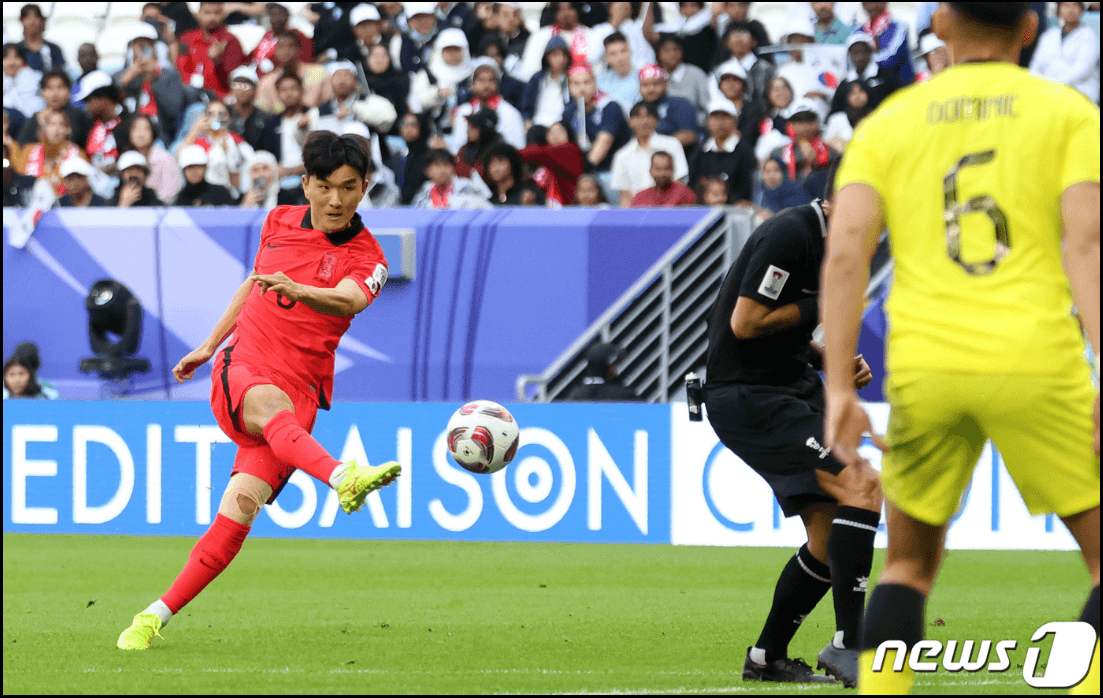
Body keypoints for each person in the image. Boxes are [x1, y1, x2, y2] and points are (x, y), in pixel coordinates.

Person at [820, 3, 1100, 694]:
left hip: (927, 370)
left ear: (940, 24)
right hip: (1036, 362)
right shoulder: (1066, 113)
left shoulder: (887, 123)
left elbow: (846, 250)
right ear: (1030, 30)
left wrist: (837, 389)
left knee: (907, 570)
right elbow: (1086, 245)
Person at [117, 131, 402, 651]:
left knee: (240, 508)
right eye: (325, 186)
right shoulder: (278, 221)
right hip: (244, 367)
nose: (335, 200)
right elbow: (253, 284)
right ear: (306, 184)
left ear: (364, 188)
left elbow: (349, 301)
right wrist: (207, 346)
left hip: (301, 399)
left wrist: (300, 290)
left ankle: (153, 615)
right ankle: (342, 476)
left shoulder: (371, 256)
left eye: (348, 187)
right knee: (268, 403)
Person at [704, 162, 879, 687]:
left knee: (828, 541)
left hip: (790, 388)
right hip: (749, 399)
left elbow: (784, 327)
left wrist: (825, 356)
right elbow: (747, 322)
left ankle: (766, 658)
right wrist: (819, 307)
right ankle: (851, 645)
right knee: (861, 484)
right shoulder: (792, 233)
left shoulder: (837, 245)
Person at [115, 22, 188, 145]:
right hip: (130, 135)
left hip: (160, 134)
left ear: (155, 46)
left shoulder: (169, 75)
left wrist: (155, 79)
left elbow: (174, 109)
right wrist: (131, 73)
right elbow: (108, 98)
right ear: (132, 47)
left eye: (147, 44)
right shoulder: (125, 75)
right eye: (139, 45)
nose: (143, 48)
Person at [610, 101, 688, 208]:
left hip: (671, 211)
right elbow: (625, 195)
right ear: (630, 122)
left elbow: (679, 181)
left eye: (648, 116)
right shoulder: (622, 155)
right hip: (639, 214)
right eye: (638, 117)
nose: (644, 121)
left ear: (657, 120)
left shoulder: (672, 144)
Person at [561, 63, 631, 179]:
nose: (582, 88)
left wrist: (583, 173)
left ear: (594, 83)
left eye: (587, 82)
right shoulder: (570, 111)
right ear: (569, 87)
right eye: (576, 84)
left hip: (613, 171)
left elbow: (604, 142)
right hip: (587, 172)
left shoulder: (610, 106)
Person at [176, 98, 254, 195]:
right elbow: (179, 158)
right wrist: (195, 130)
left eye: (221, 114)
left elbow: (252, 164)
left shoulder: (237, 141)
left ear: (229, 119)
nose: (216, 118)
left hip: (232, 195)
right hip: (205, 195)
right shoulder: (198, 143)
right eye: (210, 114)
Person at [1029, 1, 1099, 104]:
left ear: (1081, 9)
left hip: (1080, 91)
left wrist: (1054, 85)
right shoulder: (1049, 36)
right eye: (1066, 5)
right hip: (1048, 92)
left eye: (1075, 5)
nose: (1070, 9)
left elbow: (1082, 69)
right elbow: (1036, 66)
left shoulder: (1089, 36)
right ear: (1058, 10)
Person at [688, 98, 756, 204]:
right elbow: (693, 182)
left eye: (725, 117)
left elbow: (748, 186)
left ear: (735, 121)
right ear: (707, 121)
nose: (720, 122)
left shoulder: (745, 151)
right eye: (715, 117)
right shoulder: (700, 151)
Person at [175, 1, 246, 100]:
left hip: (219, 97)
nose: (212, 17)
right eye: (207, 13)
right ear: (199, 13)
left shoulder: (230, 41)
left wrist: (217, 61)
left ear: (223, 14)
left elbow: (235, 79)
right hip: (190, 94)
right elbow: (181, 70)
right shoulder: (187, 38)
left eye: (217, 13)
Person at [449, 62, 526, 152]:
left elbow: (517, 148)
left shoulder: (511, 113)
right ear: (473, 85)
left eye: (491, 80)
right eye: (480, 80)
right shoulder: (463, 111)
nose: (486, 85)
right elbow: (457, 147)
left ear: (498, 85)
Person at [827, 32, 902, 117]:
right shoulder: (845, 84)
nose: (860, 57)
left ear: (870, 52)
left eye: (864, 51)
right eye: (855, 52)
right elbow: (835, 111)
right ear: (849, 54)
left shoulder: (886, 76)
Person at [16, 69, 91, 152]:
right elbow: (22, 146)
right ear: (42, 93)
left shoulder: (79, 116)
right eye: (49, 88)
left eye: (60, 87)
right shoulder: (36, 118)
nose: (55, 93)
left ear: (68, 91)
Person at [254, 31, 330, 112]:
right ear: (275, 52)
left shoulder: (319, 73)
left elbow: (329, 103)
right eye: (281, 47)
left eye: (290, 46)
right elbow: (262, 115)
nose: (286, 51)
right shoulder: (266, 83)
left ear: (299, 49)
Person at [17, 109, 85, 198]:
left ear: (68, 130)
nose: (56, 129)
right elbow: (18, 182)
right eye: (52, 124)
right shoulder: (28, 151)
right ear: (43, 129)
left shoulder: (77, 154)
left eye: (61, 124)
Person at [117, 113, 182, 203]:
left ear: (153, 132)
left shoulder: (165, 159)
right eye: (136, 129)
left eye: (145, 129)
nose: (140, 134)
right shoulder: (125, 157)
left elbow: (169, 194)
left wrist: (152, 205)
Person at [519, 119, 584, 206]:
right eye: (551, 132)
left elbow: (531, 153)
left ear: (569, 135)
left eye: (559, 131)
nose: (555, 135)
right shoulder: (548, 157)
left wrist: (508, 153)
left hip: (569, 207)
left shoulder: (570, 149)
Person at [636, 63, 698, 150]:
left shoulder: (680, 104)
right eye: (645, 85)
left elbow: (689, 136)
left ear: (665, 85)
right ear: (639, 88)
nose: (651, 89)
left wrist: (656, 148)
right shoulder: (636, 109)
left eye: (656, 84)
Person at [411, 146, 491, 208]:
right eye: (437, 165)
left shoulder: (465, 187)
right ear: (427, 171)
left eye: (446, 164)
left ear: (453, 168)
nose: (442, 170)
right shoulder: (424, 191)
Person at [857, 1, 914, 85]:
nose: (871, 6)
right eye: (866, 3)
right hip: (870, 90)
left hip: (900, 86)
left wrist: (865, 61)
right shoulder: (859, 31)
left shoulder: (900, 26)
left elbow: (890, 59)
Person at [520, 35, 571, 128]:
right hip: (537, 125)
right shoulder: (537, 79)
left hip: (561, 127)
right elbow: (526, 106)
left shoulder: (571, 79)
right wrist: (527, 121)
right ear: (547, 57)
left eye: (564, 55)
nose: (561, 59)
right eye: (556, 54)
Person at [228, 66, 279, 156]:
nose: (242, 89)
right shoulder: (225, 113)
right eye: (237, 84)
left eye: (247, 85)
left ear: (255, 89)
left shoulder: (265, 118)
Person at [563, 342, 641, 401]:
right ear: (610, 368)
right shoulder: (625, 396)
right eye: (614, 366)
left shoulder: (573, 397)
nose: (615, 371)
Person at [630, 150, 696, 208]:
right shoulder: (640, 198)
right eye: (658, 169)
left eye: (666, 169)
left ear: (672, 170)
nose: (662, 174)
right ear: (651, 170)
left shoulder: (684, 194)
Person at [595, 31, 641, 113]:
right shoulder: (599, 82)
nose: (620, 58)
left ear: (630, 52)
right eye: (613, 54)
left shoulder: (642, 79)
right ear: (607, 58)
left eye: (623, 51)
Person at [15, 4, 65, 73]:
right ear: (21, 21)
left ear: (42, 20)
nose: (32, 22)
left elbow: (60, 74)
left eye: (35, 17)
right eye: (28, 18)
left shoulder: (54, 49)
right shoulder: (16, 50)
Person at [3, 43, 44, 119]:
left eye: (16, 57)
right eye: (6, 58)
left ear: (23, 60)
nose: (11, 63)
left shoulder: (38, 78)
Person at [483, 141, 525, 205]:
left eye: (500, 160)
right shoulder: (487, 201)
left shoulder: (526, 195)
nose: (496, 168)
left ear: (512, 162)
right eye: (491, 163)